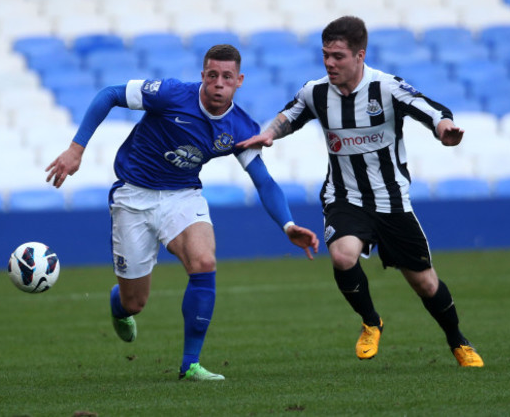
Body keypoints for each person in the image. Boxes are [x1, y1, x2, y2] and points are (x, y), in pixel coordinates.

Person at [46, 44, 319, 381]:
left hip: (183, 196)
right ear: (203, 75)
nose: (219, 83)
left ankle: (190, 364)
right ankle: (119, 304)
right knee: (135, 302)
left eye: (227, 77)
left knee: (204, 262)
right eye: (212, 75)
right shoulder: (171, 94)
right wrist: (76, 149)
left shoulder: (239, 127)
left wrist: (288, 224)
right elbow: (110, 94)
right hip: (133, 195)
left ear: (239, 81)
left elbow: (263, 181)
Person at [238, 16, 483, 367]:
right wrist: (269, 134)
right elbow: (289, 115)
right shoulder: (316, 91)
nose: (329, 62)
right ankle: (371, 321)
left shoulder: (387, 88)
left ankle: (458, 341)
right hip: (344, 196)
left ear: (360, 55)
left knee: (426, 284)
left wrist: (445, 129)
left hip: (391, 200)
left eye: (338, 56)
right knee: (342, 255)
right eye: (325, 54)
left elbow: (432, 111)